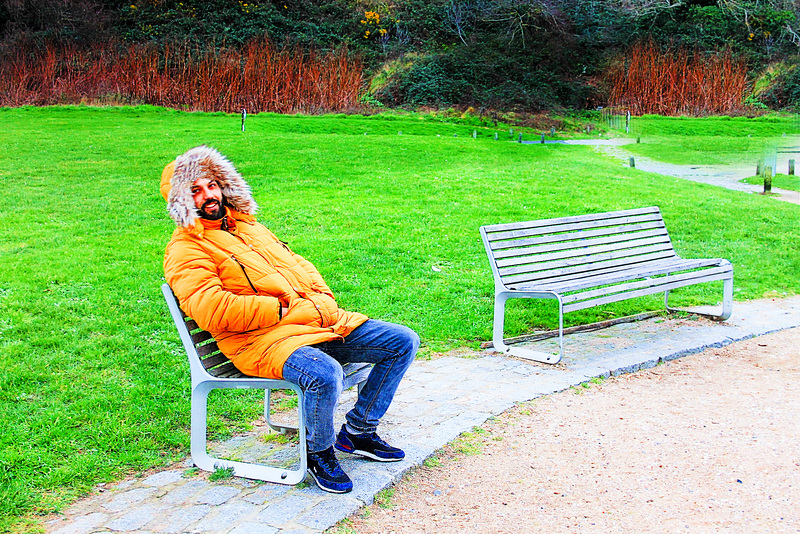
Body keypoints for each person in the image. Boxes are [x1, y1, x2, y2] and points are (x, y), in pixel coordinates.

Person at [160, 145, 418, 493]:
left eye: (211, 185)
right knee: (324, 373)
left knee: (401, 342)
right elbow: (211, 307)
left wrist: (322, 299)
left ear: (223, 185)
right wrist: (278, 310)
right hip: (261, 341)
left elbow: (299, 266)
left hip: (311, 325)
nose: (208, 195)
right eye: (195, 190)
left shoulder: (250, 228)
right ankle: (319, 453)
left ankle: (358, 432)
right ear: (181, 200)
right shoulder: (185, 249)